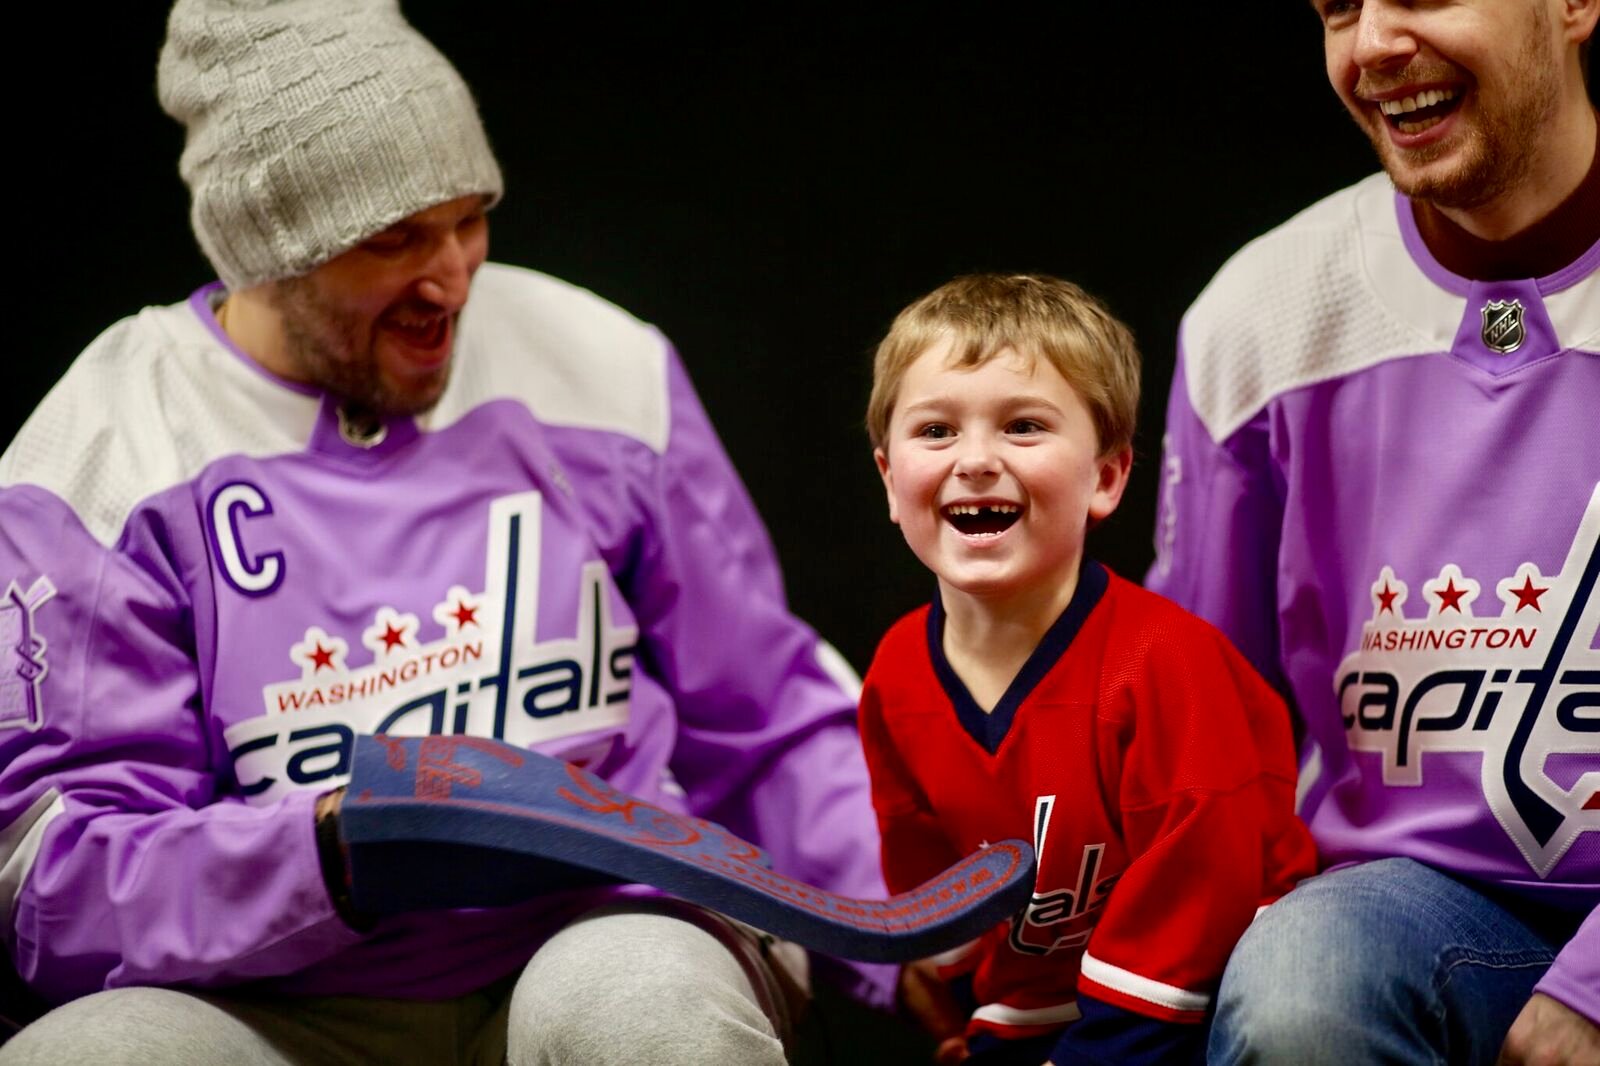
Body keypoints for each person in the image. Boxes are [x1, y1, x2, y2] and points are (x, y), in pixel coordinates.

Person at [0, 1, 895, 1062]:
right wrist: (331, 851)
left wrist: (901, 938)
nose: (454, 276)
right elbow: (48, 874)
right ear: (266, 252)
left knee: (643, 999)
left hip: (596, 928)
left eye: (469, 218)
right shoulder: (103, 452)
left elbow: (764, 710)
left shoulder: (595, 362)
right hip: (271, 999)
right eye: (396, 238)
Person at [1145, 1, 1600, 1062]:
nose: (1374, 45)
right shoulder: (1260, 316)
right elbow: (1194, 749)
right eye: (1339, 7)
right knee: (1305, 983)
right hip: (1406, 911)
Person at [855, 274, 1318, 1065]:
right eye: (935, 431)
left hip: (1213, 1015)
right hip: (1049, 1022)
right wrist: (984, 1018)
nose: (975, 460)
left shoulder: (1163, 664)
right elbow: (932, 881)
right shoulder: (897, 671)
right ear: (891, 480)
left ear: (1105, 477)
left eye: (1024, 427)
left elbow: (1199, 914)